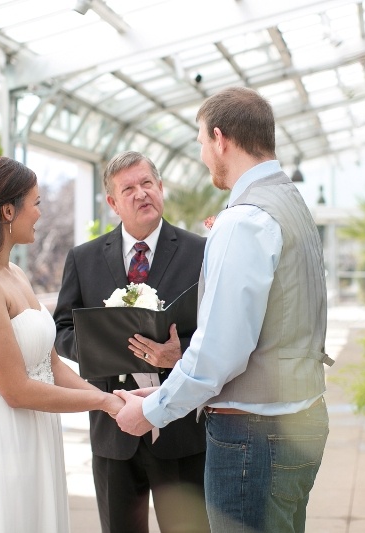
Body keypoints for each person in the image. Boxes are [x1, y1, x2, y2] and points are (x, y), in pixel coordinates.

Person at [114, 86, 334, 533]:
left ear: (220, 139)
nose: (200, 154)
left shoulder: (245, 219)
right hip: (299, 419)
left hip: (255, 437)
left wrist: (153, 409)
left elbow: (221, 351)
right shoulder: (290, 201)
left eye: (199, 143)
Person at [0, 155, 124, 533]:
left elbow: (52, 366)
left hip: (38, 434)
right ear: (8, 210)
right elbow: (17, 391)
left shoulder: (17, 274)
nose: (40, 213)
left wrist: (113, 401)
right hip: (2, 441)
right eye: (36, 203)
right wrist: (105, 402)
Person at [53, 151, 210, 533]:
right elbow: (62, 330)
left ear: (161, 188)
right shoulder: (84, 258)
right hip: (113, 431)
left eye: (147, 184)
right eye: (129, 188)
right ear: (112, 203)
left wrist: (180, 353)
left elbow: (219, 330)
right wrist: (108, 348)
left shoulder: (201, 252)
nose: (141, 194)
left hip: (181, 430)